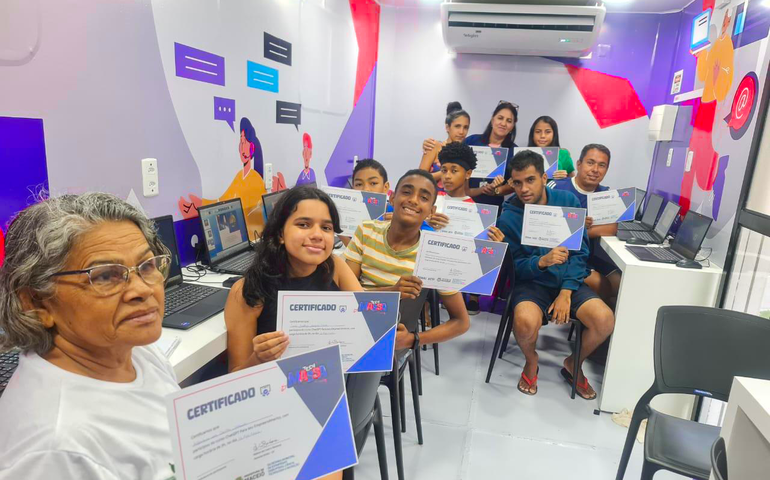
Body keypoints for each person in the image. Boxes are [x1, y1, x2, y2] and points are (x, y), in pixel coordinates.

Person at [0, 192, 179, 478]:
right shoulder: (55, 449)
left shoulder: (135, 353)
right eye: (106, 275)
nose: (143, 290)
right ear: (36, 302)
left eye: (146, 266)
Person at [497, 151, 615, 399]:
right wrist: (541, 261)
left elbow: (580, 254)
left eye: (530, 180)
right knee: (525, 322)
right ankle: (531, 360)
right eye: (517, 183)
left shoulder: (568, 202)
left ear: (543, 177)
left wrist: (566, 291)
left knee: (604, 320)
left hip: (567, 282)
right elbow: (514, 267)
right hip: (532, 283)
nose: (523, 189)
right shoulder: (509, 216)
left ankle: (574, 363)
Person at [224, 186, 363, 372]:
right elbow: (235, 376)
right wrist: (258, 359)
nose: (317, 235)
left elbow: (364, 322)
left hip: (334, 389)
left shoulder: (335, 267)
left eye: (326, 228)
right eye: (303, 225)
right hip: (278, 394)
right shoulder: (250, 290)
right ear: (280, 233)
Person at [344, 169, 473, 349]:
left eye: (424, 198)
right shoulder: (366, 230)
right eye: (406, 192)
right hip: (349, 320)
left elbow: (461, 322)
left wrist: (414, 339)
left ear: (431, 210)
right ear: (392, 198)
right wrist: (393, 291)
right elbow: (345, 295)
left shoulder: (434, 254)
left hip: (388, 338)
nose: (413, 200)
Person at [427, 142, 505, 315]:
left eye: (454, 171)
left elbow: (480, 257)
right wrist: (426, 224)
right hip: (430, 270)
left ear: (468, 173)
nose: (447, 176)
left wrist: (495, 245)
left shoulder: (477, 213)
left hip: (456, 272)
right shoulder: (432, 201)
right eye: (444, 170)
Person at [550, 144, 620, 306]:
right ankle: (587, 320)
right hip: (560, 255)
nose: (595, 169)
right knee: (601, 284)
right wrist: (580, 226)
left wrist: (577, 230)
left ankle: (601, 325)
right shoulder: (556, 188)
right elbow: (546, 227)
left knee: (620, 282)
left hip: (589, 255)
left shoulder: (605, 194)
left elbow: (611, 228)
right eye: (590, 162)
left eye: (602, 165)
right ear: (579, 164)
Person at [179, 117, 268, 240]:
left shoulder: (255, 179)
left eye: (245, 142)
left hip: (248, 238)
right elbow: (223, 200)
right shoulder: (240, 176)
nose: (242, 147)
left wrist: (200, 206)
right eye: (241, 142)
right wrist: (200, 204)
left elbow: (233, 210)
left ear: (252, 147)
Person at [463, 101, 519, 207]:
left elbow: (513, 183)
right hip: (464, 202)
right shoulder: (471, 141)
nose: (503, 123)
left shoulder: (514, 151)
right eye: (500, 118)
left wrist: (497, 190)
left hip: (492, 206)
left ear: (512, 126)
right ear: (493, 120)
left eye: (509, 121)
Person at [420, 101, 471, 186]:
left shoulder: (466, 153)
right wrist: (448, 171)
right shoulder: (434, 146)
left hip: (455, 199)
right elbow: (420, 178)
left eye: (465, 127)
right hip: (434, 197)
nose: (461, 132)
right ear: (447, 127)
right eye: (457, 126)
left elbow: (465, 189)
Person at [528, 116, 575, 180]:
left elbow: (574, 181)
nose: (542, 136)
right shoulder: (524, 154)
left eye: (548, 132)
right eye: (538, 131)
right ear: (532, 134)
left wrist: (566, 178)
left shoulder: (563, 154)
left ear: (554, 134)